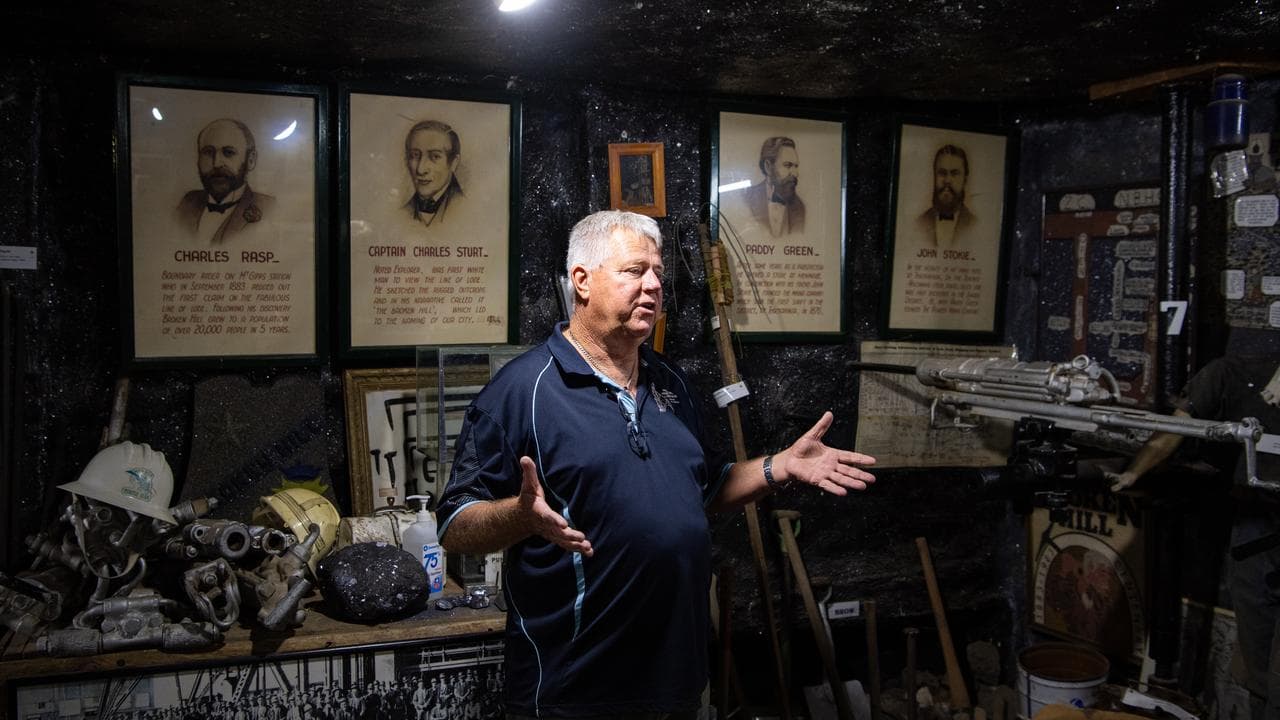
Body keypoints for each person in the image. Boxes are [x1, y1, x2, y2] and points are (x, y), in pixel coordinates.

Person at [436, 210, 877, 719]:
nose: (652, 286)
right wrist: (521, 516)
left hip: (677, 683)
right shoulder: (522, 391)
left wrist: (779, 466)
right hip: (573, 691)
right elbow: (454, 525)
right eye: (633, 271)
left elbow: (710, 489)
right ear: (582, 280)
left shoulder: (673, 384)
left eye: (658, 274)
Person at [1106, 354, 1280, 720]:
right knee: (1258, 655)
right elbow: (1177, 428)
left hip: (1259, 523)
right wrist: (1134, 473)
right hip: (1255, 526)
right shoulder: (1238, 371)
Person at [175, 118, 276, 244]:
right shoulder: (187, 203)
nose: (216, 163)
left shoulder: (268, 208)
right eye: (208, 152)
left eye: (228, 152)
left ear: (251, 160)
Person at [403, 120, 464, 228]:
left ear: (454, 162)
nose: (420, 170)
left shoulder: (468, 207)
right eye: (415, 155)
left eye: (434, 157)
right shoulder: (401, 213)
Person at [915, 144, 976, 248]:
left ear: (965, 180)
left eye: (954, 173)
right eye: (942, 173)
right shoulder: (919, 224)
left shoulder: (975, 225)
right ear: (934, 176)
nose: (947, 180)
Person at [745, 136, 805, 237]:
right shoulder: (746, 200)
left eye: (796, 166)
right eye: (788, 165)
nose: (795, 173)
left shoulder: (799, 207)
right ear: (768, 167)